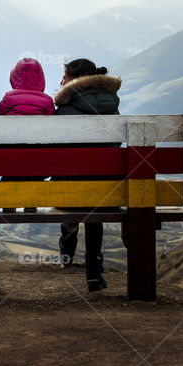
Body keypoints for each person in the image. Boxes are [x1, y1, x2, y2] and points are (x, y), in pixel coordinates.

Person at [53, 58, 121, 292]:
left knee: (70, 184)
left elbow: (55, 150)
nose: (61, 82)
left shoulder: (65, 108)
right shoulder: (112, 105)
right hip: (105, 189)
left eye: (64, 77)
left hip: (68, 190)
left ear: (74, 80)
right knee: (96, 200)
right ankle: (94, 272)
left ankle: (67, 252)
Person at [0, 57, 54, 213]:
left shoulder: (9, 97)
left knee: (9, 170)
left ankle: (8, 205)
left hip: (10, 156)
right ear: (41, 78)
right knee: (34, 168)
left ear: (14, 77)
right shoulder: (47, 101)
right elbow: (52, 127)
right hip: (37, 158)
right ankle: (31, 204)